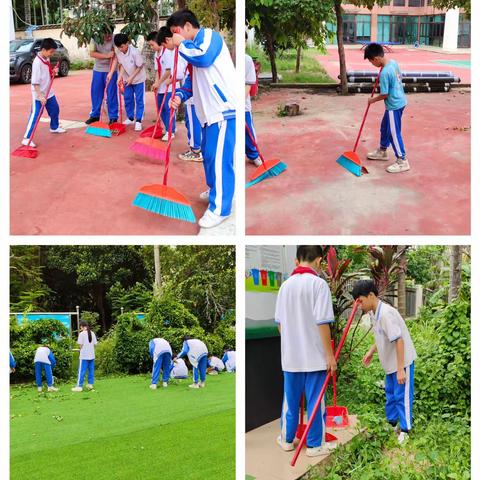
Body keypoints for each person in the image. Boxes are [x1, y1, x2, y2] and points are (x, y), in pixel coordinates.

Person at [167, 9, 236, 229]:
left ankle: (220, 208)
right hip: (208, 115)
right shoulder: (192, 51)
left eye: (176, 32)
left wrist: (180, 44)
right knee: (208, 156)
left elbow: (204, 58)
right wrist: (179, 95)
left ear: (188, 26)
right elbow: (190, 82)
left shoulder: (208, 37)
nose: (175, 37)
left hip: (222, 110)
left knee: (219, 160)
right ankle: (216, 190)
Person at [275, 245, 337, 457]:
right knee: (315, 402)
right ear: (319, 261)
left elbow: (280, 325)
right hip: (315, 358)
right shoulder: (319, 285)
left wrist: (292, 344)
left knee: (290, 402)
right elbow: (322, 323)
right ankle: (314, 445)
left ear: (296, 260)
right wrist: (330, 356)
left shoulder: (285, 287)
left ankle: (286, 439)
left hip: (291, 358)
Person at [352, 279, 416, 445]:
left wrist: (401, 369)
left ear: (371, 295)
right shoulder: (375, 313)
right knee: (391, 394)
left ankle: (406, 430)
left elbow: (399, 340)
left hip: (401, 362)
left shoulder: (386, 313)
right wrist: (371, 351)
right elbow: (382, 335)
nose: (359, 306)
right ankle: (393, 423)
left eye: (360, 301)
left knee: (402, 396)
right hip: (390, 365)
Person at [363, 43, 409, 173]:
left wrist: (372, 100)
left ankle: (402, 160)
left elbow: (385, 94)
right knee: (385, 127)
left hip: (394, 105)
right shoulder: (392, 63)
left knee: (394, 132)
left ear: (376, 58)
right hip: (400, 100)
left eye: (372, 62)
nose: (372, 64)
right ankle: (383, 151)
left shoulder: (384, 73)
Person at [22, 38, 66, 147]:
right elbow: (35, 83)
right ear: (43, 49)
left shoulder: (46, 58)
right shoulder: (37, 63)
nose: (52, 54)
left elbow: (48, 73)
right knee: (36, 115)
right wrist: (41, 96)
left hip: (48, 91)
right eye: (51, 51)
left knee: (55, 109)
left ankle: (54, 127)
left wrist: (53, 72)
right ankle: (27, 138)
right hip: (38, 94)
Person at [155, 27, 189, 142]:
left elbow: (175, 72)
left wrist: (170, 80)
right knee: (163, 107)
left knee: (168, 107)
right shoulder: (169, 51)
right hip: (169, 84)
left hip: (177, 86)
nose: (164, 47)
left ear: (168, 40)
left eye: (164, 44)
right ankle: (169, 129)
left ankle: (171, 131)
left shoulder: (177, 50)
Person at [112, 33, 146, 132]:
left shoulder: (135, 52)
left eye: (122, 46)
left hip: (138, 79)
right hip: (128, 80)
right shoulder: (118, 52)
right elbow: (122, 65)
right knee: (128, 98)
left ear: (127, 43)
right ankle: (130, 118)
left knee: (139, 100)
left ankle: (138, 120)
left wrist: (132, 77)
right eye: (119, 47)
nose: (121, 49)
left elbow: (140, 66)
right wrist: (119, 77)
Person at [85, 27, 119, 125]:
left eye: (110, 35)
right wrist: (107, 56)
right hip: (98, 70)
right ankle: (95, 115)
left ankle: (113, 117)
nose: (108, 37)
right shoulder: (94, 38)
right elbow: (92, 53)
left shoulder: (114, 38)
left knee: (111, 94)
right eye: (106, 35)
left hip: (111, 70)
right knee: (96, 93)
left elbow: (116, 57)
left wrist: (111, 72)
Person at [245, 48, 261, 167]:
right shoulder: (228, 59)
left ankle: (254, 155)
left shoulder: (247, 60)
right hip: (228, 104)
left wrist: (239, 99)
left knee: (248, 131)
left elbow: (249, 83)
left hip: (242, 105)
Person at [72, 321, 98, 392]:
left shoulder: (82, 334)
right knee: (91, 370)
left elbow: (80, 345)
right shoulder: (92, 333)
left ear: (82, 326)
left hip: (84, 356)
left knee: (81, 371)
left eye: (80, 327)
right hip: (91, 355)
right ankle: (90, 385)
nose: (80, 328)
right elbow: (95, 344)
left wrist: (79, 349)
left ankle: (79, 386)